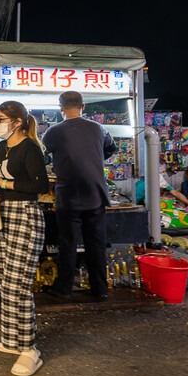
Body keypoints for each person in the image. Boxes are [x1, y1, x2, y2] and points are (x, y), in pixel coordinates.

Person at [0, 101, 49, 376]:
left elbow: (40, 185)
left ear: (17, 122)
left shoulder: (31, 148)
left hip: (25, 215)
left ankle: (29, 349)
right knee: (5, 280)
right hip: (3, 214)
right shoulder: (3, 147)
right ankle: (12, 339)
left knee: (19, 283)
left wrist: (4, 184)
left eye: (0, 118)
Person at [42, 91, 117, 302]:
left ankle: (64, 288)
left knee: (68, 243)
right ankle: (99, 289)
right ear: (83, 107)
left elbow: (42, 155)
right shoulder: (98, 128)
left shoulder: (53, 131)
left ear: (61, 108)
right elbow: (112, 148)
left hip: (69, 194)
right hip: (96, 194)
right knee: (96, 244)